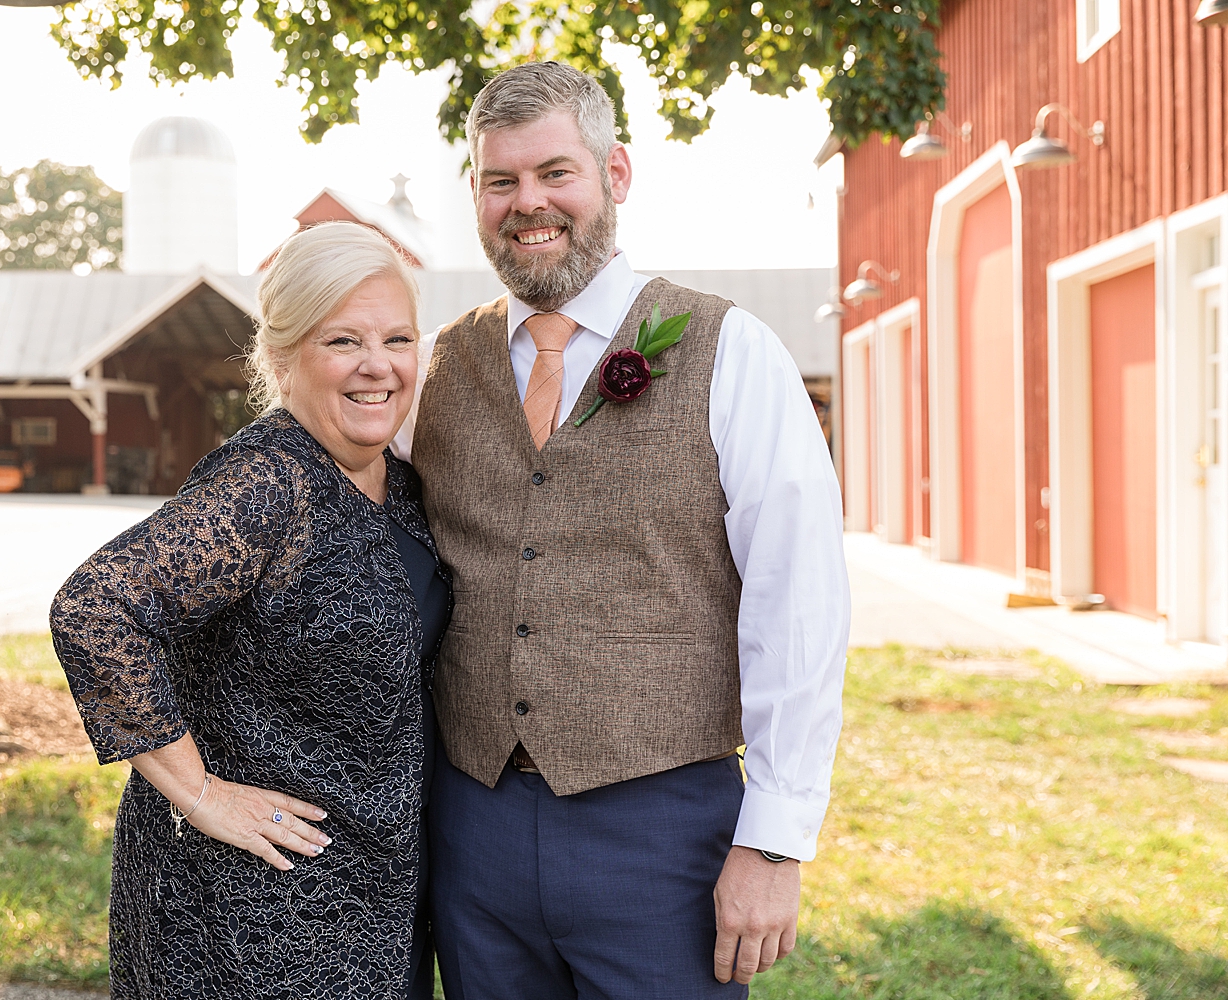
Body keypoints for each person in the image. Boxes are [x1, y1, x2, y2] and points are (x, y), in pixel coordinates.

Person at [396, 62, 851, 998]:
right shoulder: (432, 368)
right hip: (469, 825)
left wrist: (773, 841)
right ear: (476, 194)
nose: (530, 204)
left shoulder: (733, 351)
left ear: (617, 173)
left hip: (662, 830)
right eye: (500, 180)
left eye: (554, 172)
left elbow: (798, 604)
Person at [51, 221, 448, 1000]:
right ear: (280, 357)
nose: (378, 366)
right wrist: (200, 794)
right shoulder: (269, 483)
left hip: (374, 897)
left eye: (397, 338)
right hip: (248, 913)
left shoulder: (393, 481)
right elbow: (97, 610)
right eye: (343, 341)